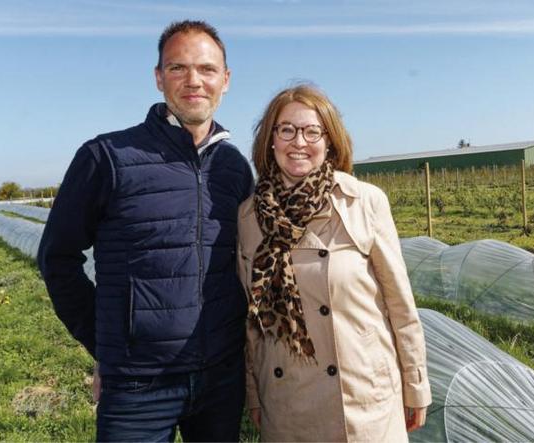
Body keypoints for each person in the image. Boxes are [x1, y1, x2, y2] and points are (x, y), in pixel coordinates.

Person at [37, 20, 253, 442]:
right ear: (159, 78)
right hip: (138, 387)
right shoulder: (107, 157)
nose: (194, 81)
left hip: (222, 380)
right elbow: (57, 258)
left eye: (207, 70)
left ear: (225, 81)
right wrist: (105, 343)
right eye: (178, 68)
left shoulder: (235, 168)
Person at [237, 84, 432, 442]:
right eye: (287, 130)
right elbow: (253, 324)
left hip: (362, 400)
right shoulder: (249, 216)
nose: (299, 142)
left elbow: (399, 305)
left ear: (330, 141)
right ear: (270, 141)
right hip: (285, 403)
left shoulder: (364, 201)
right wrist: (254, 393)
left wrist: (416, 382)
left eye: (313, 131)